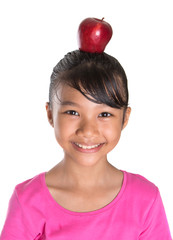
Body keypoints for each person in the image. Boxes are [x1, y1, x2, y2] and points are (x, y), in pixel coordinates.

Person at [0, 50, 172, 239]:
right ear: (50, 114)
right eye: (72, 112)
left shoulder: (146, 199)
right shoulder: (27, 201)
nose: (88, 131)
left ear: (125, 118)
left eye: (104, 114)